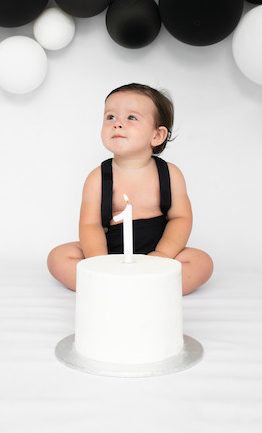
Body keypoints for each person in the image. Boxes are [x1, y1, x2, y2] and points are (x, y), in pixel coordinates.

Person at [47, 83, 213, 295]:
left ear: (157, 135)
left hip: (157, 251)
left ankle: (142, 288)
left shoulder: (170, 174)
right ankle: (113, 285)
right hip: (110, 252)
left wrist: (163, 254)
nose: (117, 124)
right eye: (110, 117)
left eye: (131, 118)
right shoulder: (98, 178)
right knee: (59, 257)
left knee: (201, 262)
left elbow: (181, 218)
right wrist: (100, 261)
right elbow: (90, 225)